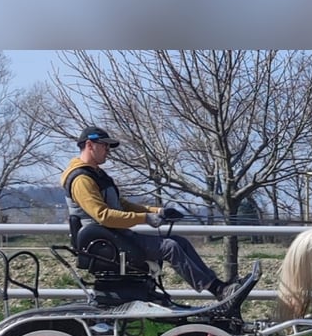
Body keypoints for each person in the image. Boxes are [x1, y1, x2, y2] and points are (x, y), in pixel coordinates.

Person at [60, 126, 240, 300]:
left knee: (180, 242)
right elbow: (104, 216)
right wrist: (146, 218)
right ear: (90, 145)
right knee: (170, 247)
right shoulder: (82, 179)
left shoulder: (96, 175)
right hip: (107, 245)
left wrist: (158, 211)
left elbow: (121, 204)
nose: (108, 150)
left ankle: (218, 287)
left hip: (116, 238)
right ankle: (217, 290)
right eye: (104, 145)